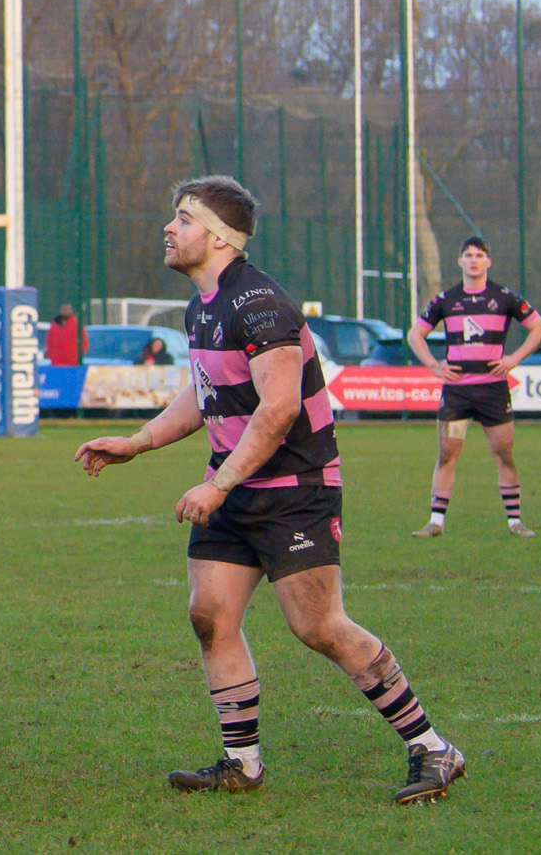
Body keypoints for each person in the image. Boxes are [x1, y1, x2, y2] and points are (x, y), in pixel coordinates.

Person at [73, 176, 466, 805]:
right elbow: (206, 391)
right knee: (210, 615)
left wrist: (219, 484)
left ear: (219, 237)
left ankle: (433, 747)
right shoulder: (202, 307)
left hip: (294, 489)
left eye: (183, 219)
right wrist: (138, 442)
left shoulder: (260, 305)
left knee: (319, 626)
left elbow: (279, 409)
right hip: (234, 488)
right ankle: (243, 763)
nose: (169, 229)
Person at [405, 237, 541, 539]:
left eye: (479, 255)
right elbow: (415, 335)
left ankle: (515, 522)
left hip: (493, 391)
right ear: (460, 261)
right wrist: (434, 365)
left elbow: (540, 329)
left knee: (504, 454)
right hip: (457, 392)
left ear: (488, 262)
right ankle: (435, 523)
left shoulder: (504, 297)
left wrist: (513, 359)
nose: (474, 260)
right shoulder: (445, 300)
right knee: (447, 455)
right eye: (468, 255)